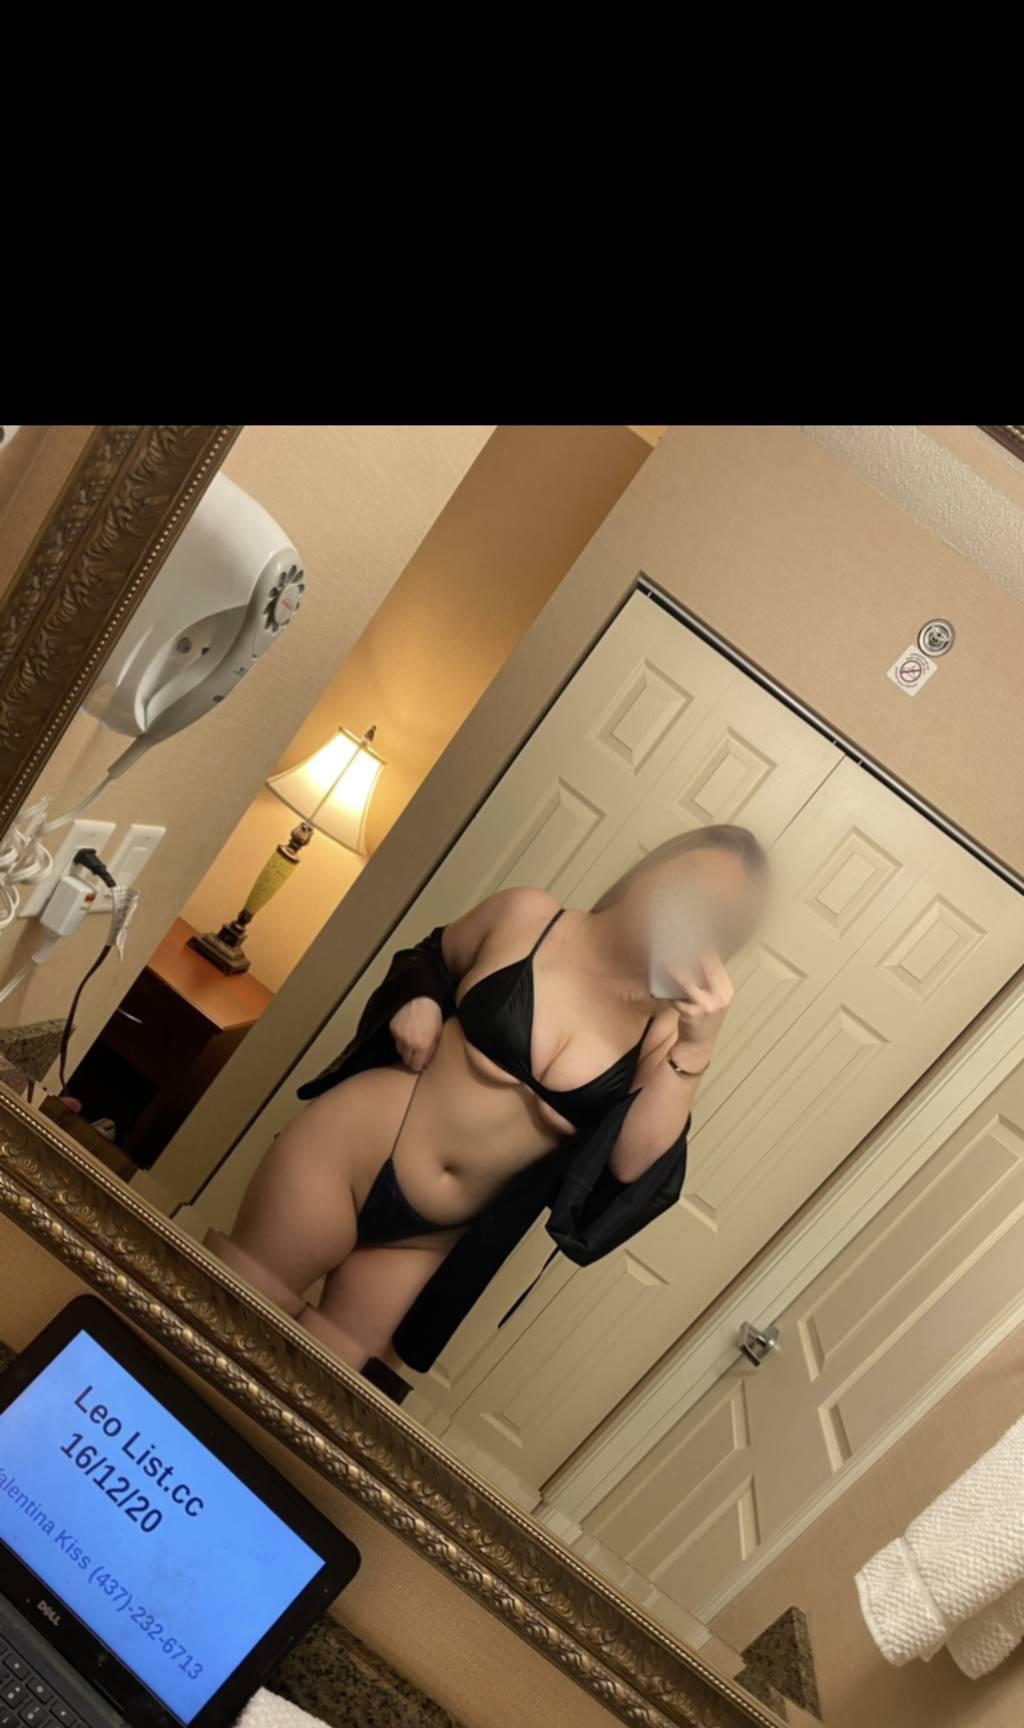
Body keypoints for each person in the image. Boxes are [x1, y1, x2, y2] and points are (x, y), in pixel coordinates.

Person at [207, 825, 769, 1373]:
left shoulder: (664, 1033)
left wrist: (699, 1045)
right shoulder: (531, 916)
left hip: (433, 1237)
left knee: (314, 1385)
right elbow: (429, 957)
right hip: (346, 1151)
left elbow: (630, 1166)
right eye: (689, 879)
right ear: (652, 869)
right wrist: (421, 999)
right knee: (221, 1316)